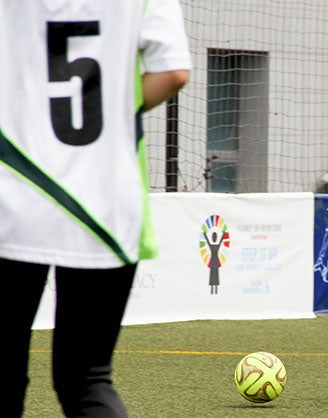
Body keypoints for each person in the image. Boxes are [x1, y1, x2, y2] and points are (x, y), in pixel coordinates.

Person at [0, 1, 191, 417]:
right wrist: (109, 109)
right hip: (105, 201)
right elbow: (173, 73)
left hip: (14, 193)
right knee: (87, 378)